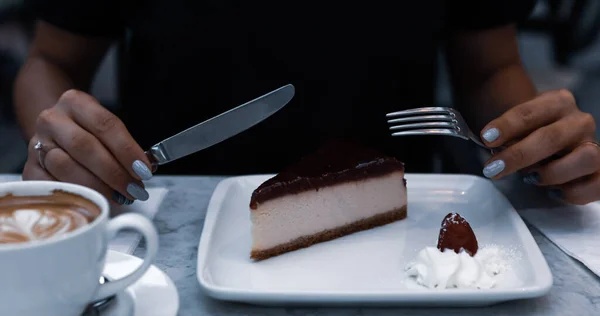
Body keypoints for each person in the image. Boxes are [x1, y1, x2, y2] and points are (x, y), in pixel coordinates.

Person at [13, 0, 600, 205]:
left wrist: (539, 146)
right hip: (165, 218)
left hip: (399, 221)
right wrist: (57, 141)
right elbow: (52, 61)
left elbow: (491, 65)